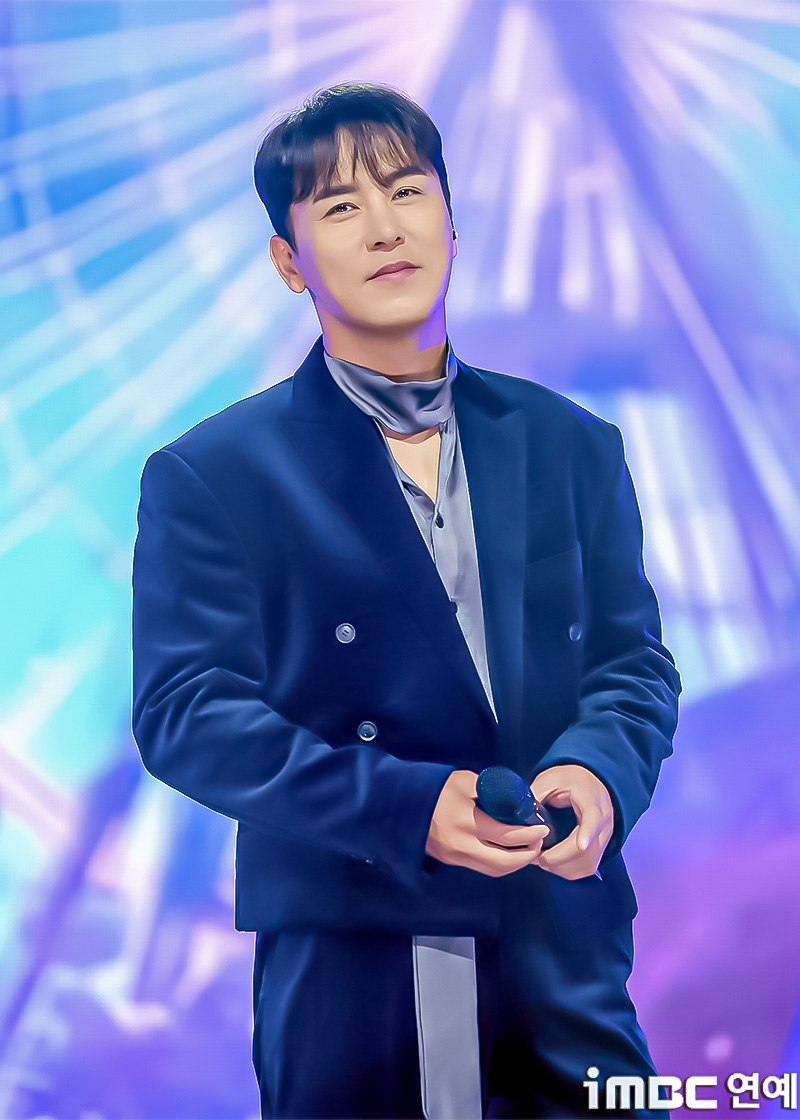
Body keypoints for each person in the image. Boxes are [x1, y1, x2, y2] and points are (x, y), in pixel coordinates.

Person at [131, 81, 681, 1119]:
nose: (385, 227)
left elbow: (631, 661)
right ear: (287, 261)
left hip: (564, 941)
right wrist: (407, 806)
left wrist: (599, 772)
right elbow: (185, 713)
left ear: (451, 222)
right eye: (341, 206)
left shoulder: (570, 442)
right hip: (362, 954)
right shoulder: (216, 474)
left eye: (406, 190)